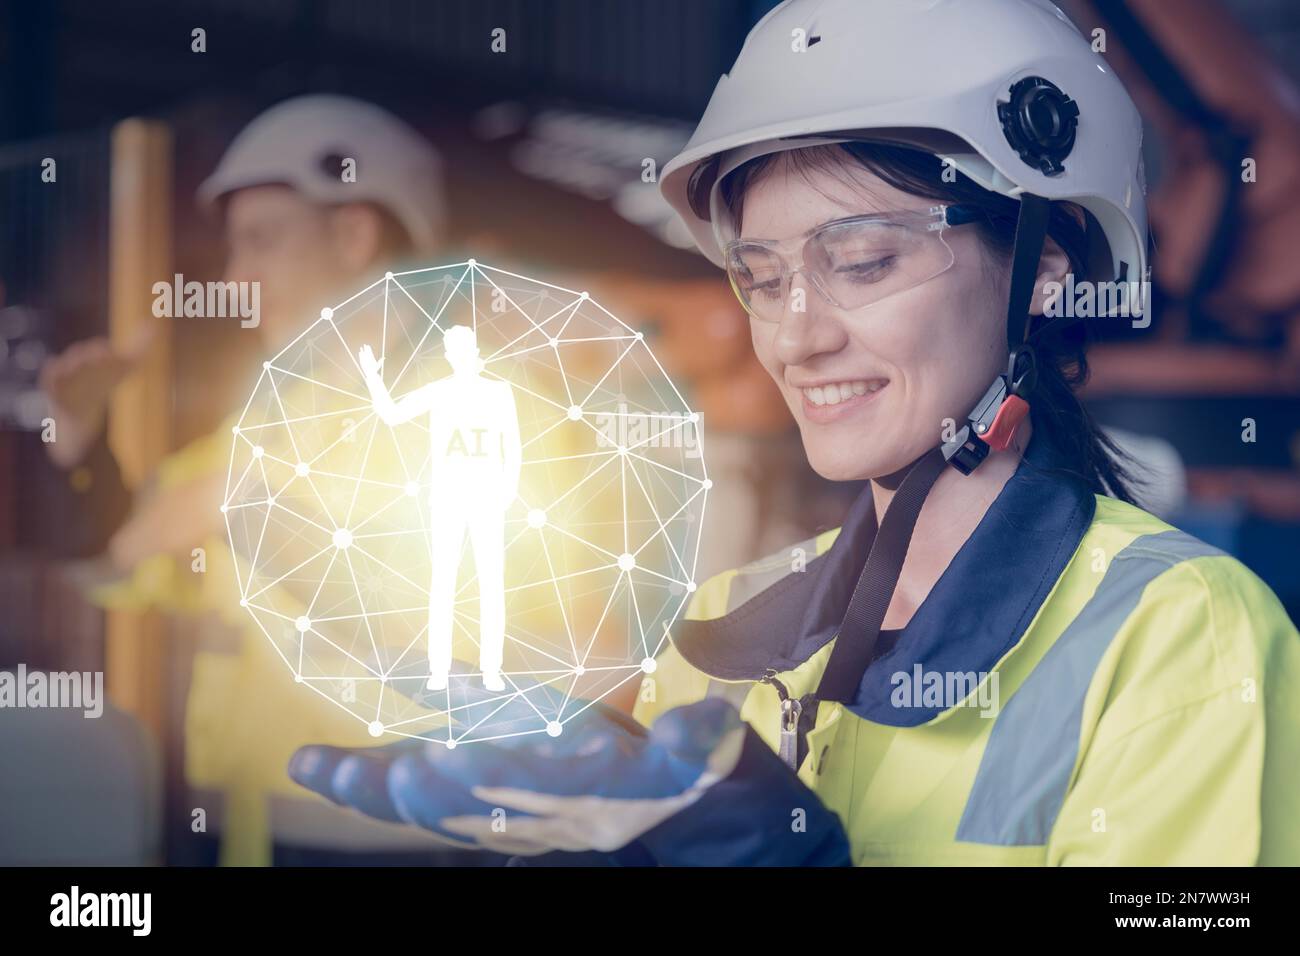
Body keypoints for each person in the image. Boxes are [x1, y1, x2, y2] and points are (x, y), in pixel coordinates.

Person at [289, 0, 1300, 866]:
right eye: (763, 275)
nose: (796, 334)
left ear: (1046, 266)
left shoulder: (1179, 639)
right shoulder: (725, 632)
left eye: (861, 261)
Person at [40, 94, 453, 865]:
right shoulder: (266, 423)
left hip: (390, 843)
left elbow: (463, 630)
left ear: (355, 233)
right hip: (241, 835)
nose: (237, 278)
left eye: (261, 241)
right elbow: (119, 563)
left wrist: (251, 515)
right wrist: (80, 448)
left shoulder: (480, 409)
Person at [359, 326, 522, 693]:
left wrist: (508, 490)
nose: (459, 355)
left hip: (486, 498)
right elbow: (392, 414)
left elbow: (511, 443)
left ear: (474, 350)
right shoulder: (441, 391)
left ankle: (491, 671)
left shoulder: (498, 392)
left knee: (490, 584)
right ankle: (438, 671)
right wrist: (373, 378)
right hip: (448, 499)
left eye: (464, 349)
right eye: (454, 350)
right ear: (448, 355)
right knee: (443, 585)